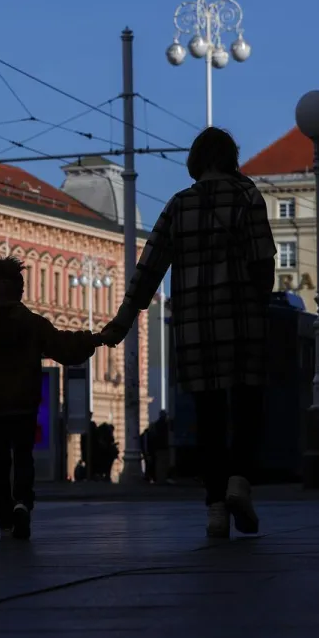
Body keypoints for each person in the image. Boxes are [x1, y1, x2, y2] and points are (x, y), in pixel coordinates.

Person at [100, 127, 275, 539]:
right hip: (242, 323)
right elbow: (264, 263)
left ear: (196, 162)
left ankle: (215, 508)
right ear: (231, 158)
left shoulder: (179, 205)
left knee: (210, 418)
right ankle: (238, 482)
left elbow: (149, 270)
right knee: (247, 407)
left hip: (195, 330)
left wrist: (123, 320)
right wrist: (256, 297)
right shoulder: (248, 197)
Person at [0, 256, 100, 539]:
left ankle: (4, 512)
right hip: (24, 404)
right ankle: (22, 503)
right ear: (20, 290)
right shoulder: (32, 323)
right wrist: (92, 339)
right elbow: (64, 348)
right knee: (23, 457)